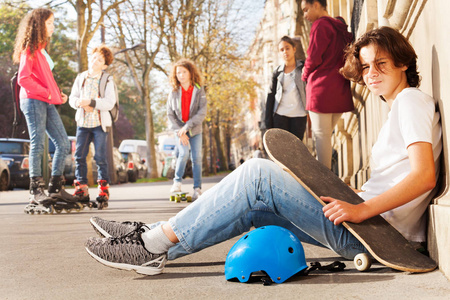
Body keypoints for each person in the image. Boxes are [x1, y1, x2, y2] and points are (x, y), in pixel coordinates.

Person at [85, 27, 442, 277]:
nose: (371, 74)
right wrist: (355, 199)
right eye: (365, 66)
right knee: (254, 209)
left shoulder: (410, 100)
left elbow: (424, 175)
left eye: (381, 64)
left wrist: (361, 208)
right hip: (365, 223)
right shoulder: (400, 106)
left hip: (375, 233)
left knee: (258, 174)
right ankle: (151, 246)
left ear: (403, 64)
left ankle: (150, 242)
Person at [14, 8, 79, 212]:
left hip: (46, 100)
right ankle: (36, 188)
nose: (53, 26)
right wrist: (48, 93)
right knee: (38, 143)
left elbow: (44, 80)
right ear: (39, 25)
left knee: (62, 143)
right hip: (33, 100)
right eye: (50, 23)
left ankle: (55, 187)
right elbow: (23, 79)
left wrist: (58, 94)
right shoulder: (30, 49)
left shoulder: (41, 51)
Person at [301, 0, 354, 169]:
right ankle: (326, 180)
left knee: (321, 136)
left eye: (306, 9)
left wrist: (304, 74)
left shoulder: (320, 25)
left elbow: (313, 56)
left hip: (320, 89)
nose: (305, 15)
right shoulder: (340, 28)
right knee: (325, 137)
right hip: (339, 88)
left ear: (316, 4)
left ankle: (324, 188)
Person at [69, 45, 117, 209]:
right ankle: (81, 189)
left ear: (104, 65)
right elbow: (72, 98)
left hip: (99, 124)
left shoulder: (107, 79)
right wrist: (79, 104)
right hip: (83, 123)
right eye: (94, 57)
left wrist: (91, 103)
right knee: (79, 157)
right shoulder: (81, 77)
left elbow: (110, 103)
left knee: (100, 158)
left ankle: (103, 191)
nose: (95, 61)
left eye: (100, 60)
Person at [166, 59, 207, 201]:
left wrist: (187, 127)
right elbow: (170, 114)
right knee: (183, 154)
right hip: (179, 130)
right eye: (178, 72)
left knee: (196, 158)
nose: (181, 75)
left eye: (184, 72)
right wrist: (180, 130)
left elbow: (202, 112)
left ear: (190, 72)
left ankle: (197, 188)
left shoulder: (198, 89)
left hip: (194, 129)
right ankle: (177, 182)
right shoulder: (173, 92)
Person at [265, 36, 307, 141]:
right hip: (280, 116)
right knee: (282, 150)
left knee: (296, 150)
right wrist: (268, 121)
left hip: (299, 115)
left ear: (294, 49)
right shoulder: (277, 72)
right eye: (281, 50)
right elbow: (270, 96)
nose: (285, 52)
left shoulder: (303, 67)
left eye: (287, 48)